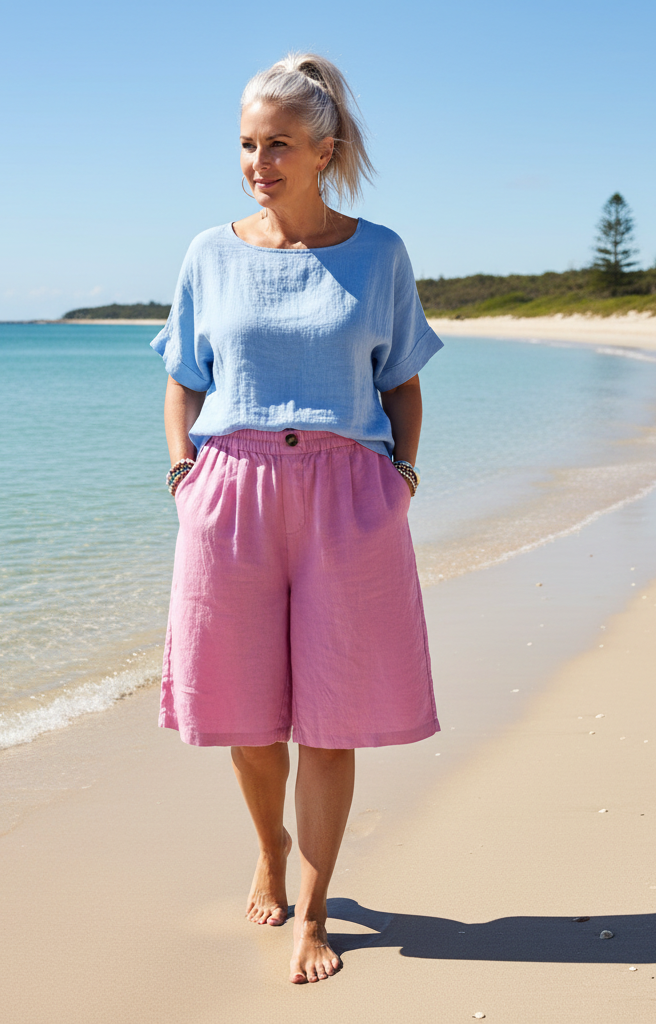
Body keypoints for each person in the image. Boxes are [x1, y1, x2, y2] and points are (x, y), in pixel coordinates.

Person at [150, 52, 442, 985]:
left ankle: (312, 913)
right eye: (246, 144)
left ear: (324, 149)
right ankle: (269, 849)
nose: (258, 162)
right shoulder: (210, 252)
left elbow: (403, 385)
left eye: (277, 144)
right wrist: (182, 476)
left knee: (332, 714)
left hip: (349, 499)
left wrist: (397, 476)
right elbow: (181, 380)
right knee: (242, 714)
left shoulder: (380, 252)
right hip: (229, 490)